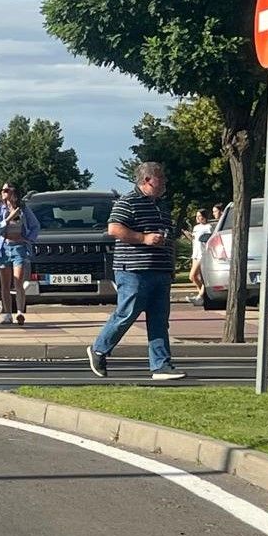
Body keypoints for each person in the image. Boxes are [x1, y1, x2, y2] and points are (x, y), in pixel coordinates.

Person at [87, 161, 182, 380]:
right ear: (147, 180)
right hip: (133, 269)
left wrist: (171, 265)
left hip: (160, 270)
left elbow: (169, 238)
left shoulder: (162, 205)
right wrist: (143, 238)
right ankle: (99, 349)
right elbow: (114, 228)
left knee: (159, 319)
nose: (165, 181)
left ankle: (161, 365)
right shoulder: (127, 201)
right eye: (161, 177)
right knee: (127, 313)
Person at [0, 183, 40, 325]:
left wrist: (28, 239)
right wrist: (9, 218)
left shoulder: (23, 209)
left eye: (8, 190)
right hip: (2, 248)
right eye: (3, 190)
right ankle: (7, 314)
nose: (5, 193)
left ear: (15, 193)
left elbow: (35, 225)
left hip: (19, 247)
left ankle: (19, 312)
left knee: (18, 280)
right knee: (5, 283)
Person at [185, 208, 213, 305]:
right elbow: (194, 239)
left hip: (203, 253)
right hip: (195, 253)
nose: (197, 218)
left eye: (199, 216)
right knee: (192, 277)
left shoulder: (209, 227)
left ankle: (200, 296)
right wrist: (188, 236)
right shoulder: (196, 227)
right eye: (196, 216)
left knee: (201, 276)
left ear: (204, 217)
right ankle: (203, 295)